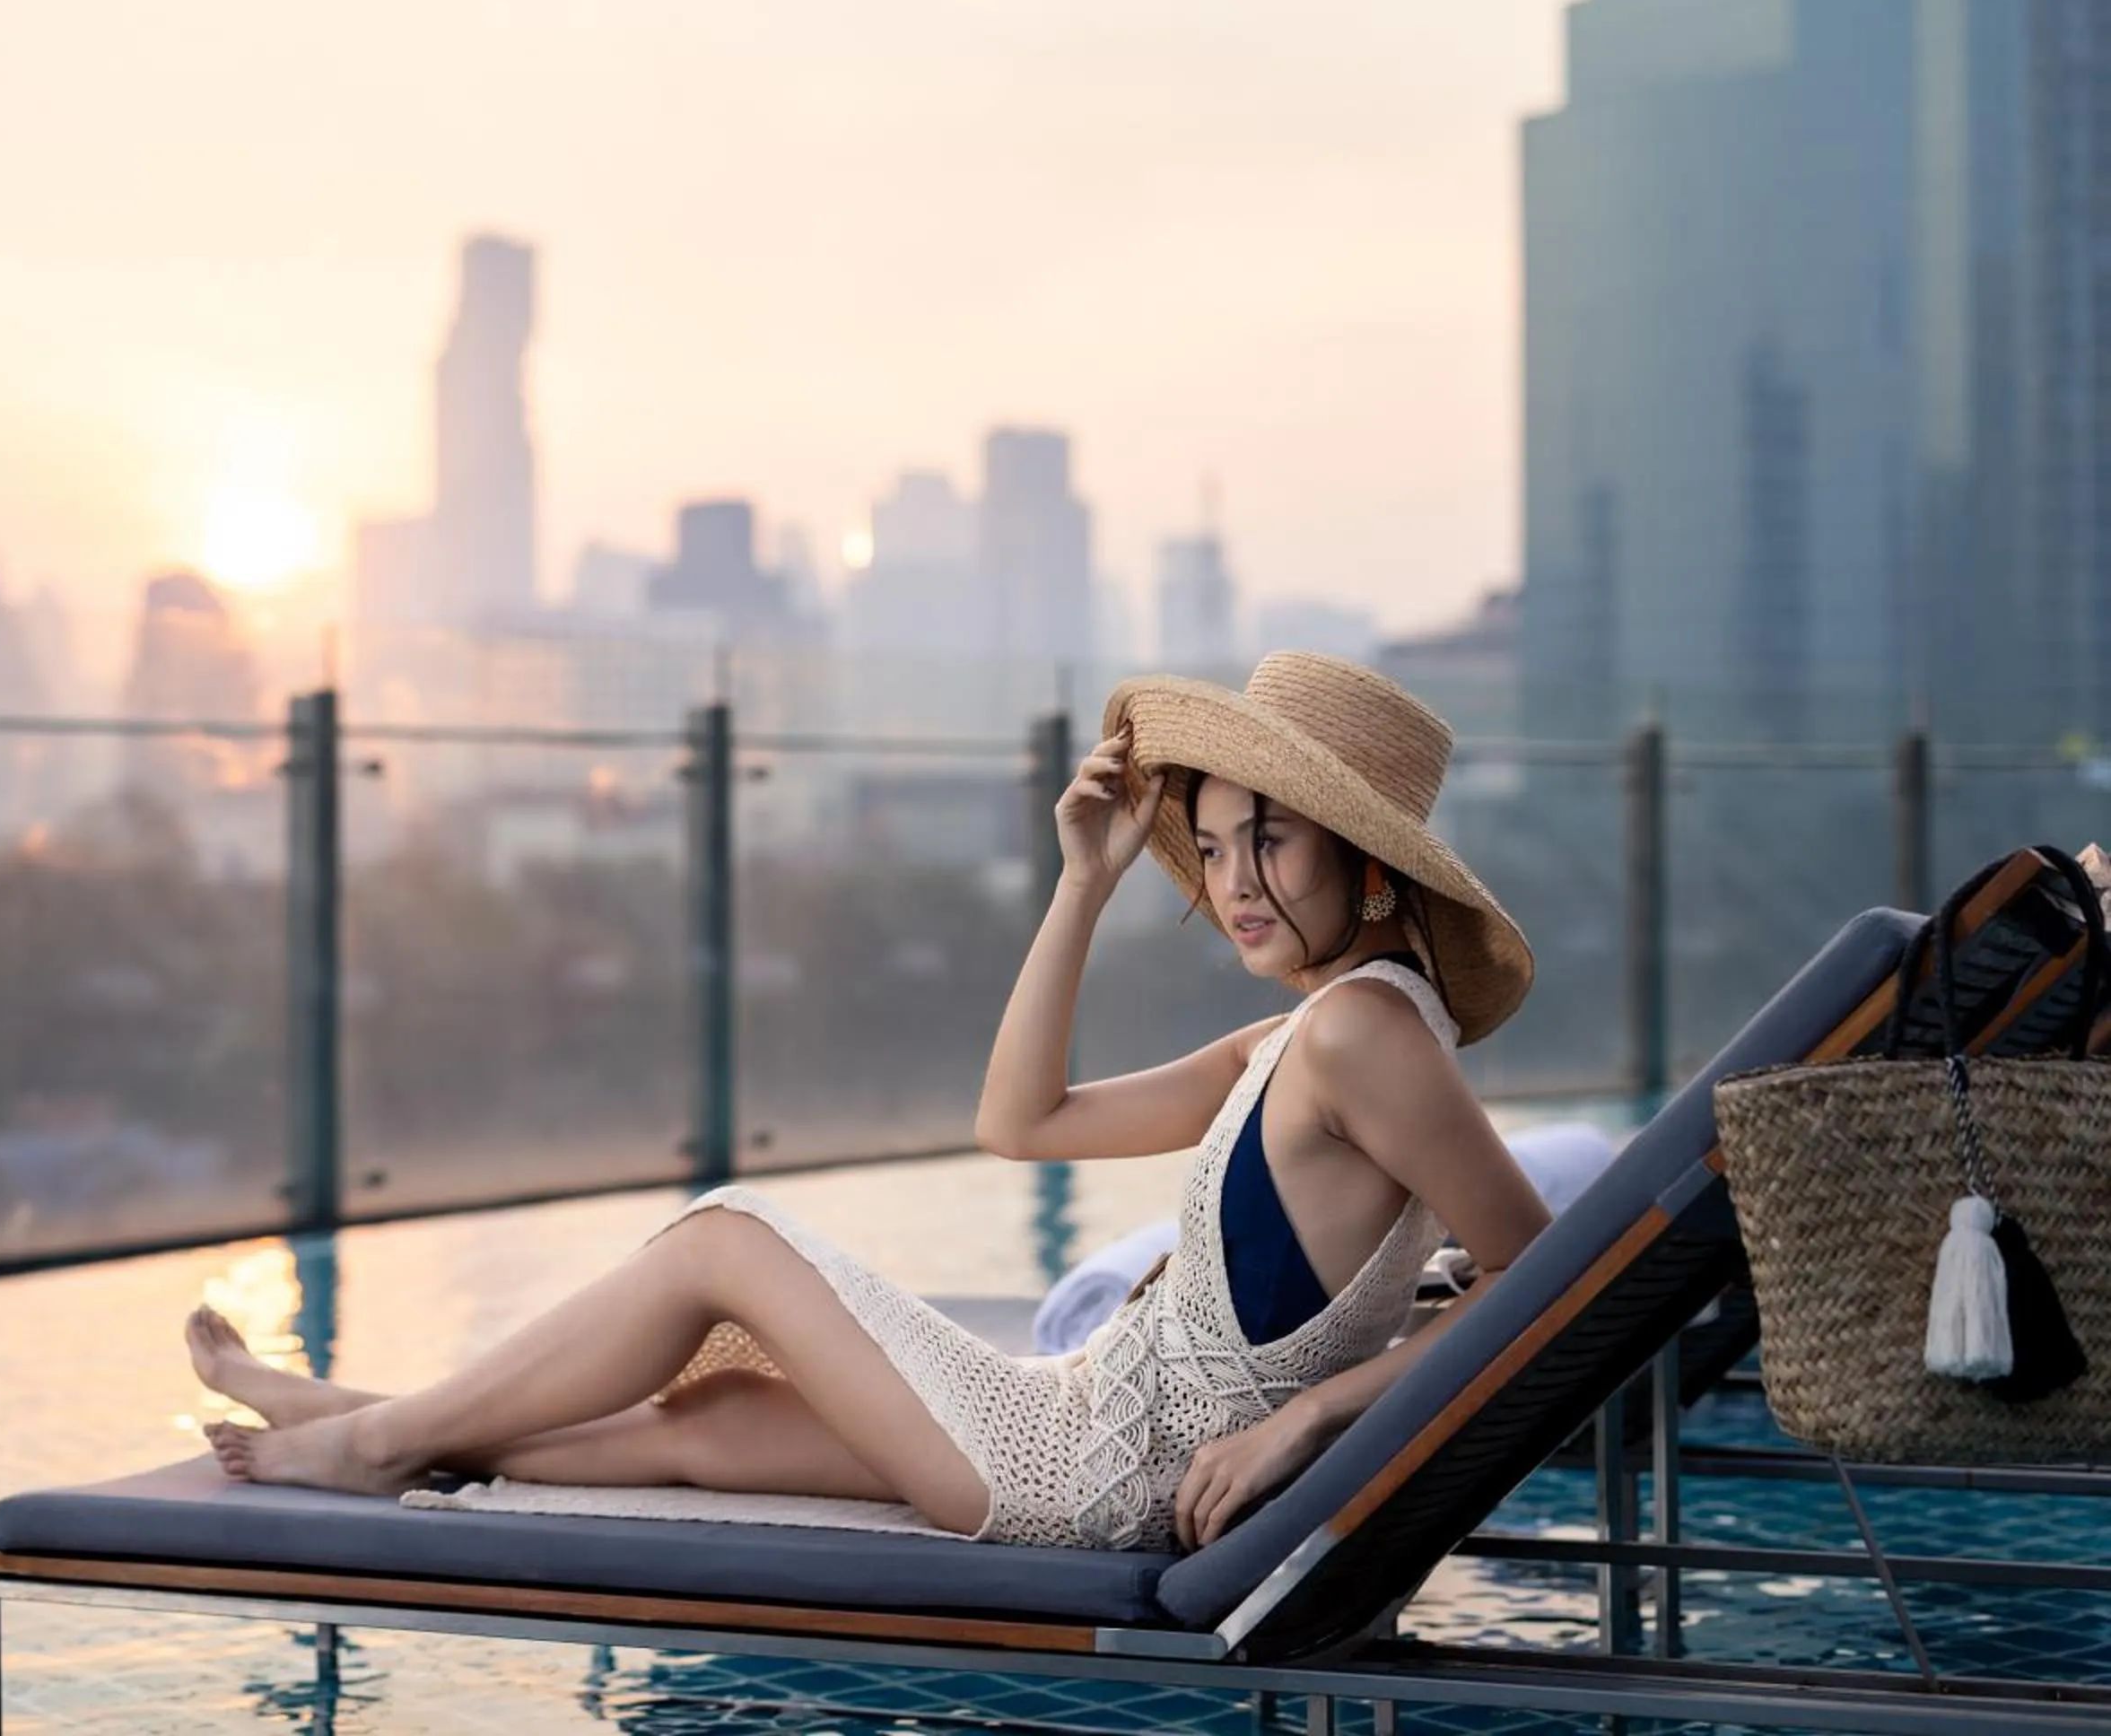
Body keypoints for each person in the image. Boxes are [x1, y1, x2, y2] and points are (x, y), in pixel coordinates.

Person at [189, 653, 1550, 1553]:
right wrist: (1085, 882)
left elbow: (1542, 1281)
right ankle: (379, 1419)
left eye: (1273, 836)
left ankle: (370, 1441)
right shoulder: (1316, 1034)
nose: (1235, 878)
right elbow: (1023, 1124)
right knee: (703, 1428)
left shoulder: (1363, 1037)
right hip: (1083, 1424)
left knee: (725, 1239)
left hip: (1090, 1472)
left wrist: (1307, 1416)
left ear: (1370, 863)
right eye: (1210, 843)